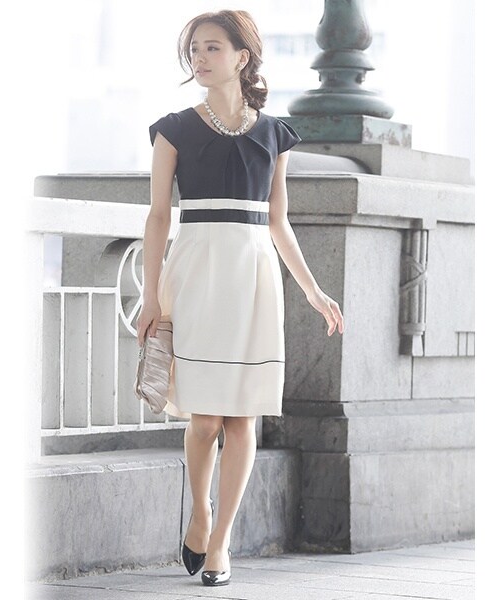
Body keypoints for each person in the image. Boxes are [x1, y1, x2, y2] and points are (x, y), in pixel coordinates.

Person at [136, 9, 344, 587]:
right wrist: (151, 296)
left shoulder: (275, 134)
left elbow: (279, 221)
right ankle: (200, 514)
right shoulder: (173, 129)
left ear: (242, 57)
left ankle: (222, 541)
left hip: (253, 278)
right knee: (205, 419)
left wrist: (313, 291)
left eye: (212, 48)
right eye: (195, 50)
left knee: (242, 416)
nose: (200, 59)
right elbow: (157, 218)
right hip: (195, 273)